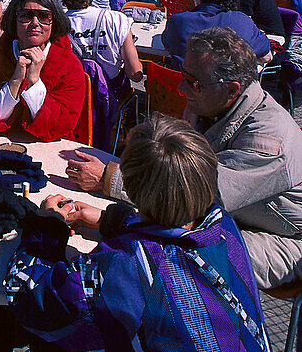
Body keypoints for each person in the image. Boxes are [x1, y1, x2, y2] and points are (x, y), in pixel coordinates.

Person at [6, 116, 288, 352]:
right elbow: (170, 230)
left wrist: (49, 226)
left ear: (132, 188)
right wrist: (108, 219)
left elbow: (27, 292)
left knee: (57, 351)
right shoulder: (223, 229)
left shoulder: (126, 268)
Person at [66, 27, 302, 289]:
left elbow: (191, 197)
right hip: (232, 217)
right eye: (184, 75)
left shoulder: (268, 141)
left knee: (178, 253)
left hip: (287, 239)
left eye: (192, 81)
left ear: (232, 90)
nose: (180, 87)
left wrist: (111, 183)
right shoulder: (209, 101)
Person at [0, 0, 85, 141]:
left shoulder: (69, 65)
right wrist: (15, 81)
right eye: (26, 15)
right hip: (1, 143)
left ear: (54, 22)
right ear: (13, 19)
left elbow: (60, 126)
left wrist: (34, 82)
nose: (35, 23)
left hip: (51, 146)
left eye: (44, 17)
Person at [161, 0, 271, 69]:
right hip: (228, 87)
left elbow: (167, 45)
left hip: (181, 86)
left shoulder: (177, 21)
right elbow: (267, 56)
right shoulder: (243, 21)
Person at [51, 0, 143, 83]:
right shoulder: (117, 20)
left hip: (72, 93)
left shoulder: (55, 26)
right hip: (111, 93)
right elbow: (135, 74)